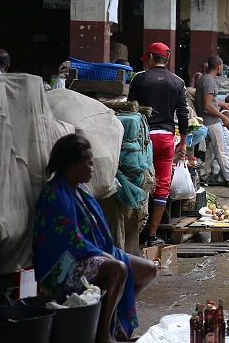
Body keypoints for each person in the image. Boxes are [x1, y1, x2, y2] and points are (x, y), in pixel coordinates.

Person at [33, 134, 157, 343]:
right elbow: (69, 242)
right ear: (74, 165)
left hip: (89, 254)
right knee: (117, 269)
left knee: (148, 270)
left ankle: (114, 322)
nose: (93, 168)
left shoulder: (80, 190)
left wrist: (104, 253)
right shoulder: (56, 195)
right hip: (65, 266)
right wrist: (102, 254)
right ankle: (103, 334)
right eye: (89, 164)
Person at [128, 42, 189, 247]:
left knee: (137, 179)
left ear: (151, 58)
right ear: (167, 59)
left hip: (143, 138)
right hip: (166, 139)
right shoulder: (178, 82)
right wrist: (183, 142)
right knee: (162, 184)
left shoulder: (140, 78)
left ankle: (134, 231)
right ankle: (152, 235)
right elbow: (183, 113)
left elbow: (131, 109)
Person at [194, 55, 229, 188]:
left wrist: (223, 105)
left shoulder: (208, 79)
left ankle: (222, 176)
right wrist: (223, 117)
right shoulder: (208, 80)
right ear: (219, 67)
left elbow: (210, 100)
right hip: (210, 121)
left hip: (215, 119)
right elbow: (207, 106)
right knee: (221, 150)